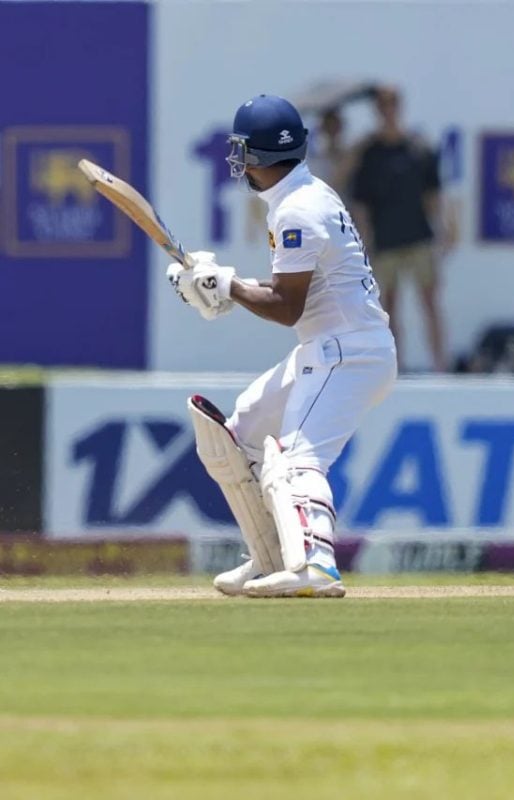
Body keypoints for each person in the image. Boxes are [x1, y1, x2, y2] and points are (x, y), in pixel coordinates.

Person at [167, 94, 396, 598]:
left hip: (346, 352)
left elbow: (285, 306)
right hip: (333, 346)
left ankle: (315, 567)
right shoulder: (308, 194)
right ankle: (273, 557)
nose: (237, 161)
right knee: (240, 433)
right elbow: (285, 297)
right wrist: (222, 287)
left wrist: (225, 285)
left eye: (242, 150)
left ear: (261, 157)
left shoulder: (297, 211)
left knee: (296, 459)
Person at [350, 85, 456, 373]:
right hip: (386, 240)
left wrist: (443, 229)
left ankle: (440, 366)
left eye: (392, 105)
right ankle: (396, 367)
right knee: (390, 308)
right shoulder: (370, 153)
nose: (388, 112)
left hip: (419, 237)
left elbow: (433, 195)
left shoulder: (417, 148)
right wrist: (364, 240)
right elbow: (361, 204)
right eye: (382, 107)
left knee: (430, 302)